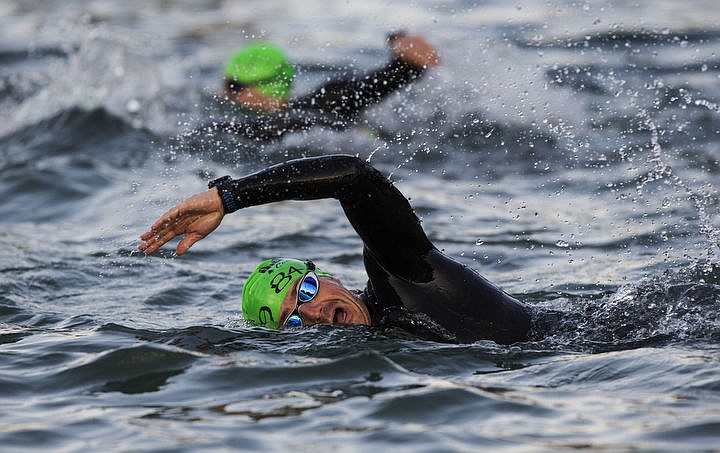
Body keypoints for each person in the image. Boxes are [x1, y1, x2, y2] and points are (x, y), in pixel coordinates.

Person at [139, 155, 534, 344]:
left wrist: (230, 196)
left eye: (305, 291)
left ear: (327, 277)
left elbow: (354, 178)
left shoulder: (404, 276)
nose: (312, 314)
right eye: (293, 321)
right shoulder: (373, 342)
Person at [204, 32, 440, 141]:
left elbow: (374, 85)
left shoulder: (324, 102)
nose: (223, 93)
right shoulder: (321, 101)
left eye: (234, 86)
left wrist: (400, 51)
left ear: (265, 86)